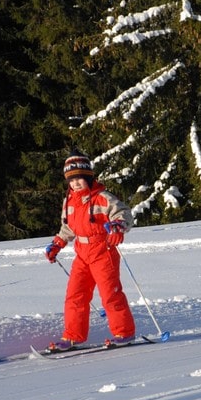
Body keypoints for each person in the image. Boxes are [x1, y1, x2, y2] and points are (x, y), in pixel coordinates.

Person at [44, 150, 136, 351]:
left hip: (103, 251)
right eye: (72, 179)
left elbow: (124, 214)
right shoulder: (69, 200)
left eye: (80, 178)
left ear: (88, 177)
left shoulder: (102, 197)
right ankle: (73, 337)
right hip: (82, 253)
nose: (76, 183)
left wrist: (117, 226)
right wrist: (57, 243)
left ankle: (124, 333)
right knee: (75, 295)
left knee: (109, 294)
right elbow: (68, 227)